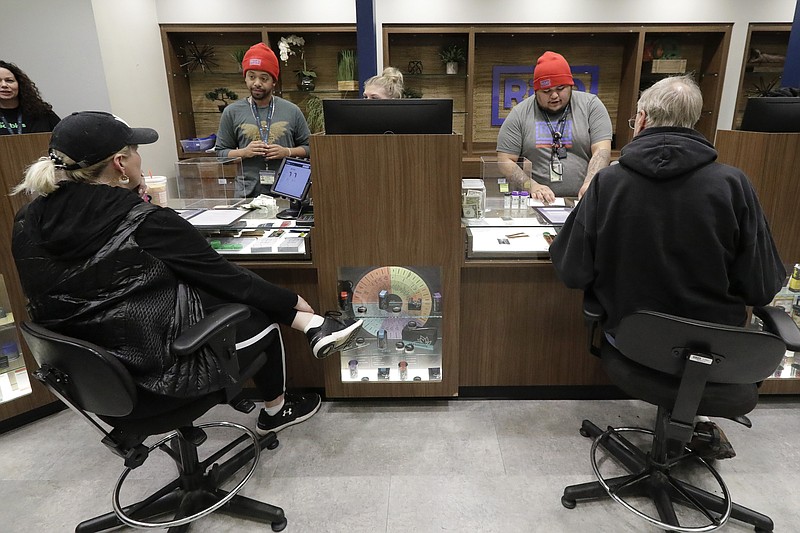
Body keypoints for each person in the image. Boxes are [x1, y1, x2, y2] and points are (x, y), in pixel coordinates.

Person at [12, 111, 362, 435]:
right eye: (135, 151)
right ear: (121, 164)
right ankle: (278, 406)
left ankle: (313, 327)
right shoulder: (143, 221)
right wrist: (292, 300)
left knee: (203, 285)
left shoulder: (26, 221)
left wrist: (136, 202)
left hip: (90, 378)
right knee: (256, 314)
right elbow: (225, 276)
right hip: (156, 375)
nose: (139, 158)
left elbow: (107, 282)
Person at [549, 75, 786, 458]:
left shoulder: (608, 184)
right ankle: (690, 431)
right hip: (717, 354)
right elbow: (762, 287)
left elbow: (573, 271)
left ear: (641, 119)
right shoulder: (734, 185)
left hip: (633, 345)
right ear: (695, 122)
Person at [496, 51, 612, 201]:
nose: (554, 96)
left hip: (583, 199)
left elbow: (602, 151)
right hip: (536, 201)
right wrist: (531, 186)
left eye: (560, 88)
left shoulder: (591, 106)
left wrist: (590, 182)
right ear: (536, 90)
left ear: (571, 85)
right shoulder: (520, 113)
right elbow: (505, 160)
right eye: (547, 91)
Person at [214, 43, 311, 197]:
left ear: (274, 81)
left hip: (287, 192)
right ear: (245, 78)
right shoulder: (231, 112)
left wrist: (286, 151)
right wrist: (244, 152)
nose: (257, 83)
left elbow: (310, 148)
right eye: (251, 77)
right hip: (247, 195)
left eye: (263, 78)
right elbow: (220, 154)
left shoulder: (292, 110)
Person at [0, 60, 60, 135]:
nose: (4, 85)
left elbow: (63, 140)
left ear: (20, 84)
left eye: (9, 80)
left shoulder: (42, 113)